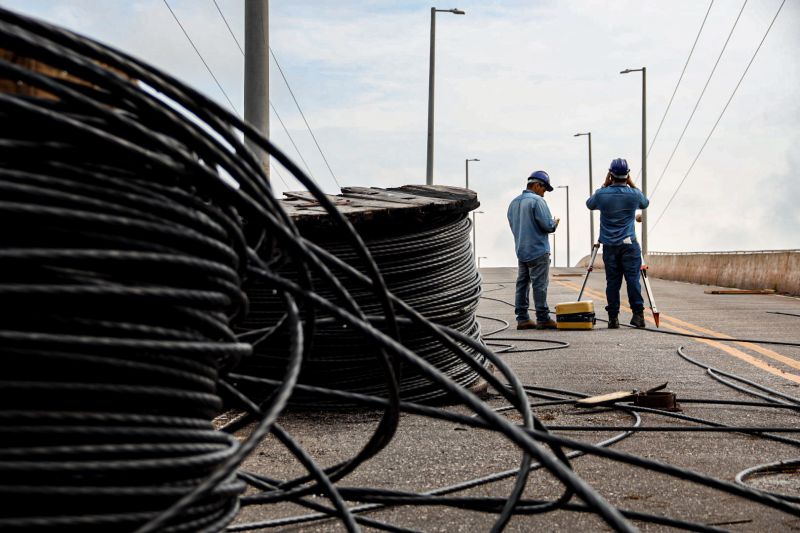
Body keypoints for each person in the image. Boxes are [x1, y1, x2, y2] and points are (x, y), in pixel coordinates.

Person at [586, 158, 650, 328]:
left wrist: (604, 185)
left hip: (610, 246)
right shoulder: (634, 194)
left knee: (613, 282)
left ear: (610, 174)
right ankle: (638, 315)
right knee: (633, 280)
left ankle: (613, 318)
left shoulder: (602, 194)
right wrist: (632, 184)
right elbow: (645, 203)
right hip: (629, 245)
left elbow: (589, 204)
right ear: (627, 174)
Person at [507, 170, 560, 330]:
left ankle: (522, 318)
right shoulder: (537, 201)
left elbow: (513, 225)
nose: (544, 193)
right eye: (544, 189)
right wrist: (555, 222)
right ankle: (543, 318)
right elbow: (547, 226)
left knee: (522, 284)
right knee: (539, 285)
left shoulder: (514, 203)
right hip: (538, 250)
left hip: (521, 250)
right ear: (537, 185)